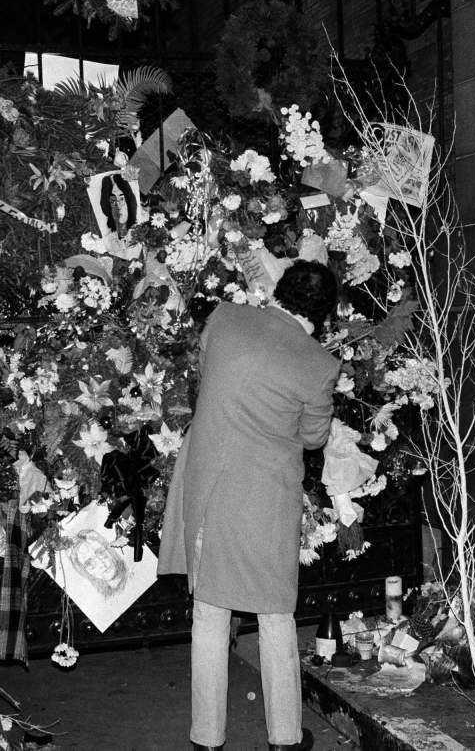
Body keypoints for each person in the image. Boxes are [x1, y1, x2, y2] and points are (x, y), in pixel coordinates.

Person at [158, 260, 341, 751]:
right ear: (324, 313)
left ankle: (207, 738)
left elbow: (206, 375)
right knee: (275, 613)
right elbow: (312, 437)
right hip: (265, 496)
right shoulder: (319, 363)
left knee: (210, 611)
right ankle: (284, 738)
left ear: (280, 289)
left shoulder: (225, 318)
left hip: (209, 483)